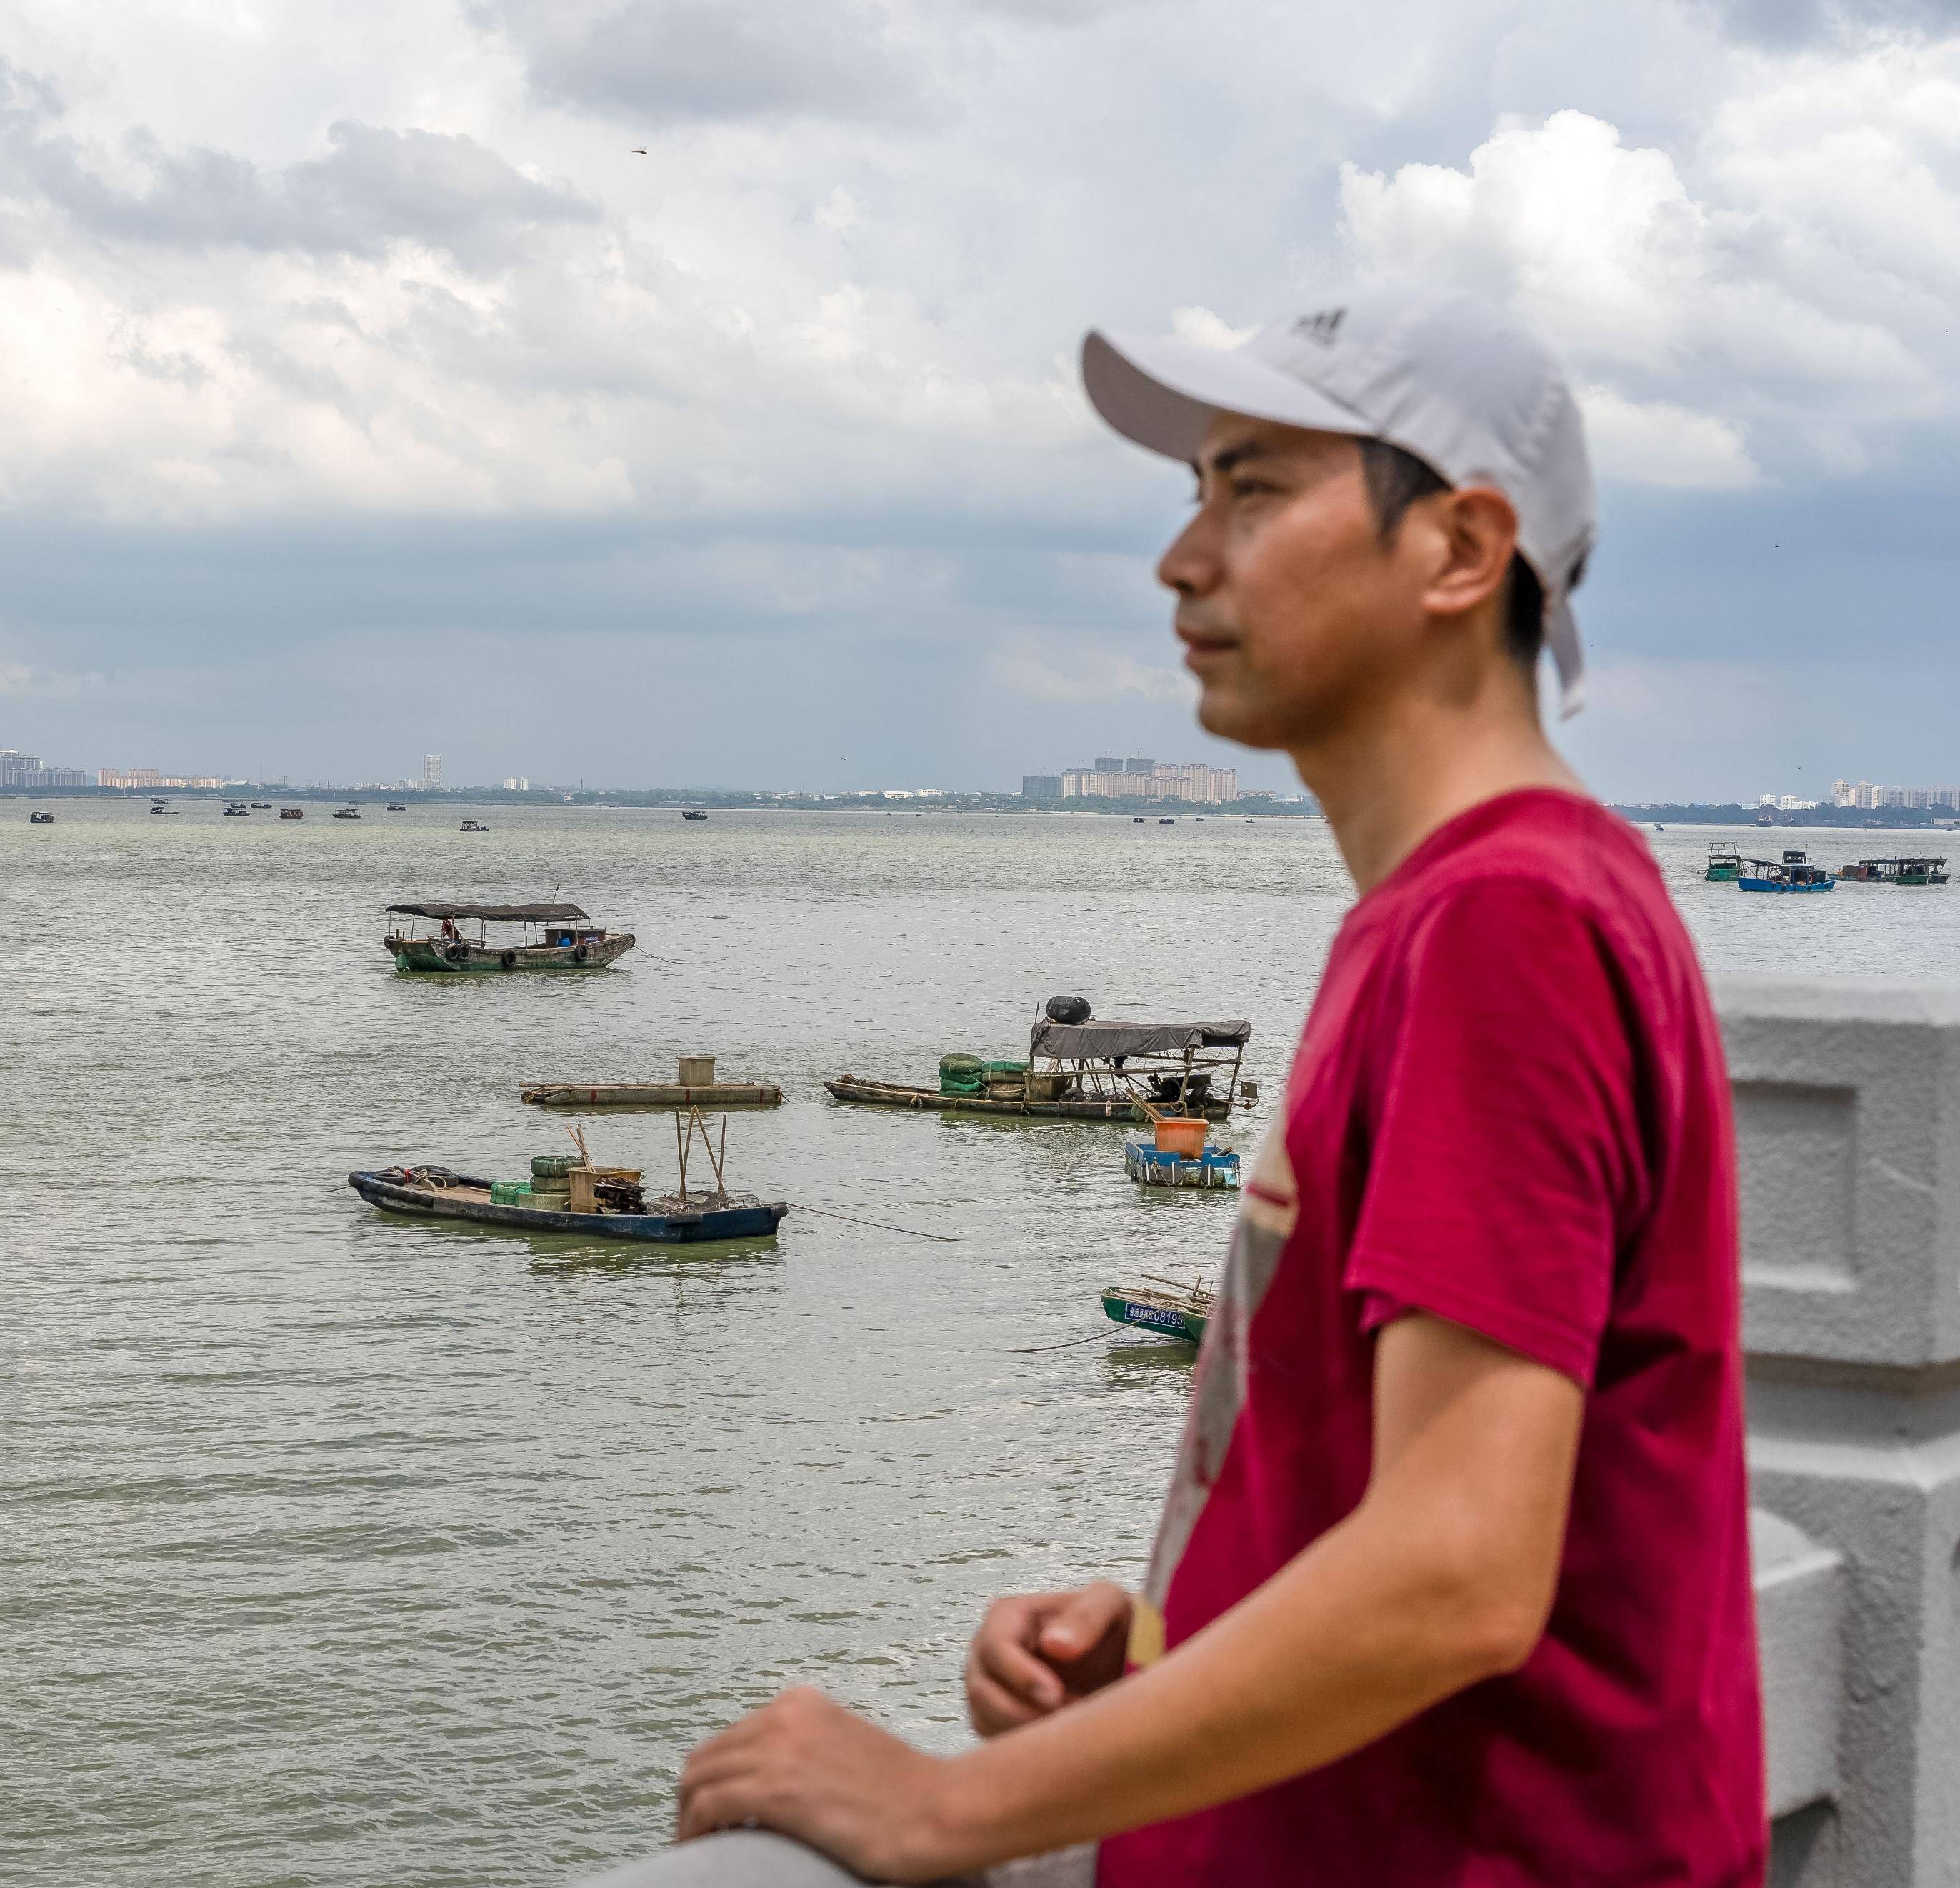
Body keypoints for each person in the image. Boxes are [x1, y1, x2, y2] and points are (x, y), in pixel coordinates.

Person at [584, 286, 1763, 1886]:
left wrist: (944, 1807)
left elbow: (1464, 1568)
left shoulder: (1508, 925)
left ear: (1462, 549)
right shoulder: (1496, 902)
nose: (1182, 557)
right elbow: (1438, 1504)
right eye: (1193, 491)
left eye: (1255, 490)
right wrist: (1169, 1630)